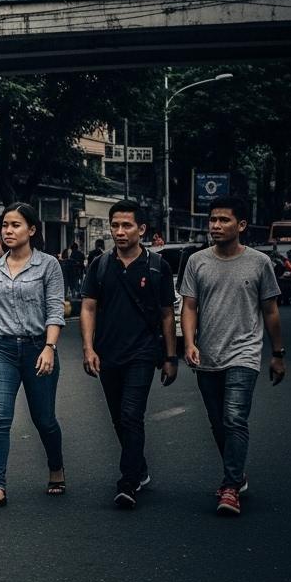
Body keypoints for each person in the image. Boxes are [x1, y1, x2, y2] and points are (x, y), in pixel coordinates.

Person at [180, 196, 286, 516]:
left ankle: (229, 487)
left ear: (240, 225)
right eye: (212, 220)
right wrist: (189, 342)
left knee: (234, 417)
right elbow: (189, 306)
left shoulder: (259, 263)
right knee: (217, 422)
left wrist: (277, 353)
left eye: (224, 220)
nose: (215, 226)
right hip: (208, 354)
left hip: (245, 353)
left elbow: (270, 310)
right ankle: (237, 472)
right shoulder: (197, 261)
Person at [79, 200, 179, 510]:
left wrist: (170, 357)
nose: (119, 232)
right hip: (109, 353)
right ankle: (140, 468)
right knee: (118, 418)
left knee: (131, 414)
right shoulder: (101, 265)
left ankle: (127, 481)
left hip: (142, 353)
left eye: (127, 226)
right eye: (115, 226)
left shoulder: (156, 266)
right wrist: (88, 348)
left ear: (141, 229)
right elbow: (88, 307)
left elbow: (166, 315)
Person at [0, 202, 67, 510]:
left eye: (15, 225)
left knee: (44, 420)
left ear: (32, 230)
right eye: (5, 226)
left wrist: (49, 348)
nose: (8, 231)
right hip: (1, 349)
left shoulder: (48, 265)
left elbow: (54, 310)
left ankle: (56, 467)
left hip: (38, 348)